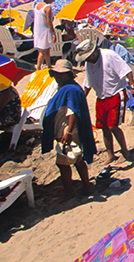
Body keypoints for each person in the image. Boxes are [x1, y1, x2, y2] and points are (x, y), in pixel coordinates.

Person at [41, 59, 96, 199]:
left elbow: (73, 112)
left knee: (63, 163)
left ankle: (69, 191)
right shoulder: (70, 88)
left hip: (68, 131)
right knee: (78, 160)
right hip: (68, 130)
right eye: (57, 74)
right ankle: (87, 186)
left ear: (68, 74)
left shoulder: (70, 90)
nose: (58, 77)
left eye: (61, 74)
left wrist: (69, 132)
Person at [78, 40, 134, 163]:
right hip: (101, 96)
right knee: (104, 128)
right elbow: (87, 84)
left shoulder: (109, 55)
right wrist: (82, 98)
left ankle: (125, 151)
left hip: (115, 93)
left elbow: (126, 71)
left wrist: (132, 86)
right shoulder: (89, 64)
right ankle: (110, 154)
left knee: (112, 126)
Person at [33, 0, 57, 70]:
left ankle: (48, 65)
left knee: (46, 48)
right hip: (44, 29)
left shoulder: (37, 4)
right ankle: (38, 67)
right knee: (43, 50)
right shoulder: (47, 7)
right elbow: (48, 21)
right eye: (53, 0)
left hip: (37, 29)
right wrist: (53, 32)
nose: (53, 2)